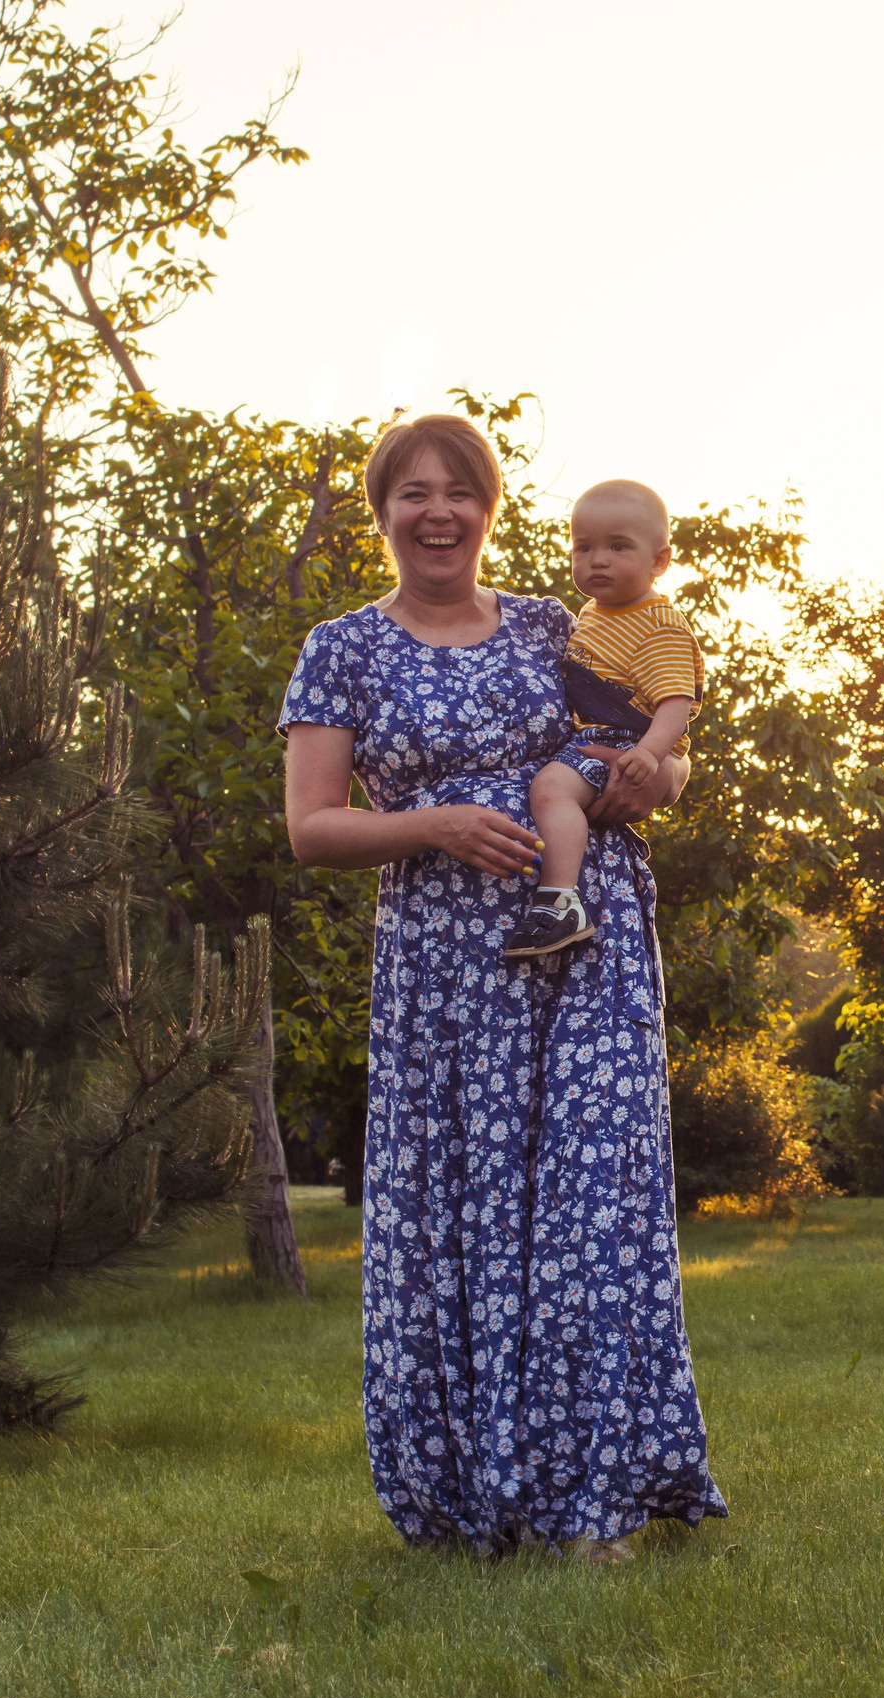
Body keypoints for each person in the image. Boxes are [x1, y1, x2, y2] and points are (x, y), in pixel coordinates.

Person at [280, 414, 725, 1561]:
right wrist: (432, 823)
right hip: (444, 970)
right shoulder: (343, 648)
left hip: (587, 951)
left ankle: (595, 1506)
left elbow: (662, 746)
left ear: (488, 508)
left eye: (460, 492)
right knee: (457, 1222)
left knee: (590, 1213)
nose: (439, 513)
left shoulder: (555, 624)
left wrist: (653, 779)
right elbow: (311, 827)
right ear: (382, 514)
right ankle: (466, 1497)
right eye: (412, 494)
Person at [508, 479, 702, 959]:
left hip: (625, 741)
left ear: (659, 561)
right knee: (555, 790)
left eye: (618, 546)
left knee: (552, 790)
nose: (596, 559)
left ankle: (559, 901)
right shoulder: (594, 614)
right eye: (583, 547)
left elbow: (675, 703)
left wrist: (650, 756)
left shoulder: (658, 623)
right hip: (602, 735)